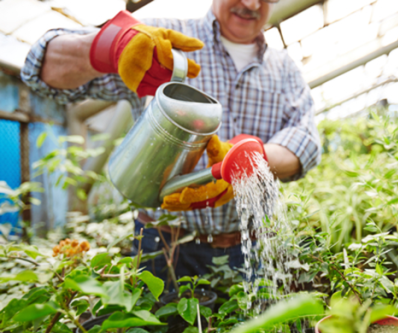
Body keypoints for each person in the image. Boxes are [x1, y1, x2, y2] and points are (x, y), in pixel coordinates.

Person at [21, 0, 321, 283]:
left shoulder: (284, 70)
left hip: (248, 244)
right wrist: (111, 47)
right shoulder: (161, 40)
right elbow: (39, 70)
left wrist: (250, 159)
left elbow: (305, 141)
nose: (253, 5)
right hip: (163, 243)